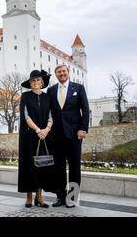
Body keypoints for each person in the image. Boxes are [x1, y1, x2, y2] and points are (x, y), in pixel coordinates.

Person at [48, 64, 89, 208]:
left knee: (74, 167)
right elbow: (49, 112)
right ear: (56, 75)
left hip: (74, 135)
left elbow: (85, 109)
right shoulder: (51, 90)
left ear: (68, 72)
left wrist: (83, 129)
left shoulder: (78, 88)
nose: (62, 74)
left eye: (64, 71)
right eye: (59, 72)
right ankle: (60, 197)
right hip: (56, 136)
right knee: (58, 167)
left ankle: (72, 198)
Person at [18, 70, 56, 208]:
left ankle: (39, 197)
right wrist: (38, 130)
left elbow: (51, 115)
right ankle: (29, 196)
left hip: (45, 136)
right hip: (30, 136)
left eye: (38, 80)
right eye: (33, 81)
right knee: (29, 166)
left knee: (42, 166)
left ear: (42, 82)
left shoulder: (47, 97)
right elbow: (26, 116)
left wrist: (46, 129)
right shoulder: (25, 96)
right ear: (30, 83)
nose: (36, 83)